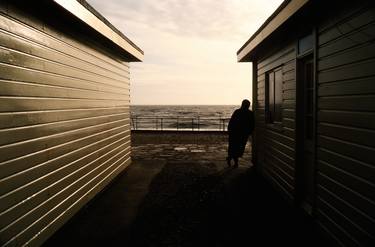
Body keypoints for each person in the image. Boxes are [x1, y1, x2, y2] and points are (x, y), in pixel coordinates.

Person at [227, 99, 255, 167]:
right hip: (242, 134)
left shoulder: (237, 111)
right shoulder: (250, 113)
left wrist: (229, 130)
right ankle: (234, 161)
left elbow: (231, 122)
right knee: (239, 148)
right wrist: (250, 132)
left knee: (234, 147)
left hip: (235, 133)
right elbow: (252, 124)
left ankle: (231, 158)